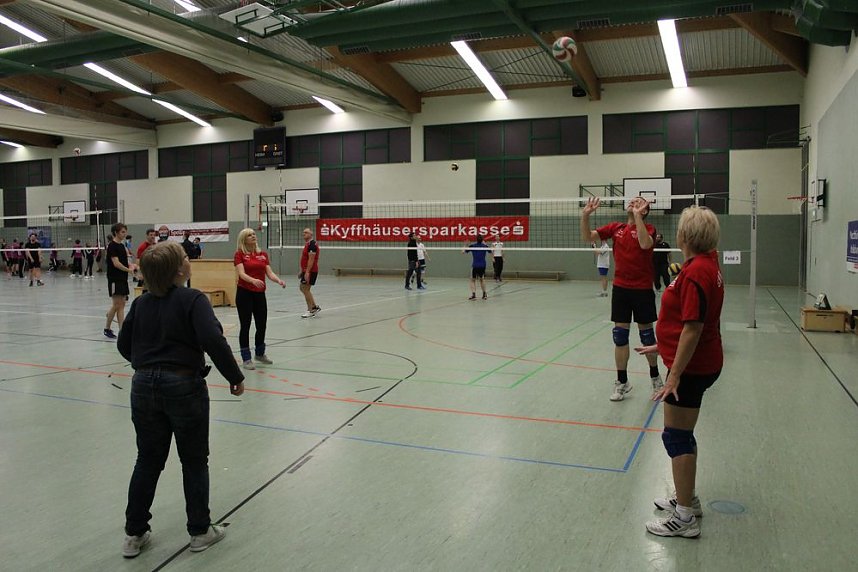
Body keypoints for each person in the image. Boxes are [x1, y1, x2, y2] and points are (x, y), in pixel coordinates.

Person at [117, 241, 245, 559]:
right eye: (187, 258)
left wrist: (147, 362)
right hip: (184, 386)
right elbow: (212, 338)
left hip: (143, 386)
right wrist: (235, 376)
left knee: (147, 460)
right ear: (179, 269)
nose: (190, 261)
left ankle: (134, 533)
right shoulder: (193, 299)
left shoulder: (142, 303)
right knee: (194, 459)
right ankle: (200, 531)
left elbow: (124, 344)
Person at [634, 206, 724, 538]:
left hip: (692, 368)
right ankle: (688, 500)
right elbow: (692, 323)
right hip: (698, 361)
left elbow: (693, 328)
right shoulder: (704, 265)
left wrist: (673, 375)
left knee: (676, 436)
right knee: (683, 434)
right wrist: (662, 347)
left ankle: (684, 518)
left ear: (685, 236)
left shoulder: (698, 271)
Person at [581, 196, 663, 401]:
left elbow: (645, 244)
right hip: (621, 289)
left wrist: (638, 218)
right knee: (620, 336)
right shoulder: (616, 228)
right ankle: (622, 382)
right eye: (632, 201)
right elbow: (587, 237)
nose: (633, 202)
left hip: (642, 290)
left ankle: (655, 378)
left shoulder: (649, 229)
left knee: (647, 337)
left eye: (639, 202)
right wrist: (585, 216)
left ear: (644, 210)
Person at [233, 228, 285, 369]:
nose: (253, 236)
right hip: (244, 293)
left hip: (259, 294)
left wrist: (278, 280)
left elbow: (269, 272)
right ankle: (246, 358)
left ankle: (260, 354)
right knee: (246, 325)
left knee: (261, 324)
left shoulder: (262, 255)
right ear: (244, 239)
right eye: (249, 235)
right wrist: (252, 280)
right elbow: (241, 274)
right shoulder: (239, 254)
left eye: (254, 234)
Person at [104, 223, 136, 339]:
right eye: (122, 232)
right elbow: (116, 263)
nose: (124, 234)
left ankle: (121, 330)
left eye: (125, 231)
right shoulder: (112, 246)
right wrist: (129, 270)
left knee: (121, 304)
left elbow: (124, 261)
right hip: (114, 279)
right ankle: (107, 328)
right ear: (116, 232)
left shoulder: (122, 246)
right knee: (117, 304)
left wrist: (132, 266)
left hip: (122, 279)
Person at [299, 227, 321, 317]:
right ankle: (314, 307)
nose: (304, 234)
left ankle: (311, 310)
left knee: (305, 288)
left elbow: (311, 259)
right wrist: (302, 271)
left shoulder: (312, 244)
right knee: (303, 288)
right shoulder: (307, 244)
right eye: (303, 232)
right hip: (306, 270)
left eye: (306, 232)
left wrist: (307, 272)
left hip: (311, 271)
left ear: (311, 234)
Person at [463, 234, 488, 300]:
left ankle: (474, 295)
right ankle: (484, 294)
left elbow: (463, 252)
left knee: (472, 280)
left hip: (475, 265)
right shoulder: (485, 246)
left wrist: (465, 245)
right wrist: (484, 243)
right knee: (482, 279)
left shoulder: (473, 246)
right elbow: (490, 251)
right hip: (483, 265)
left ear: (476, 239)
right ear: (482, 240)